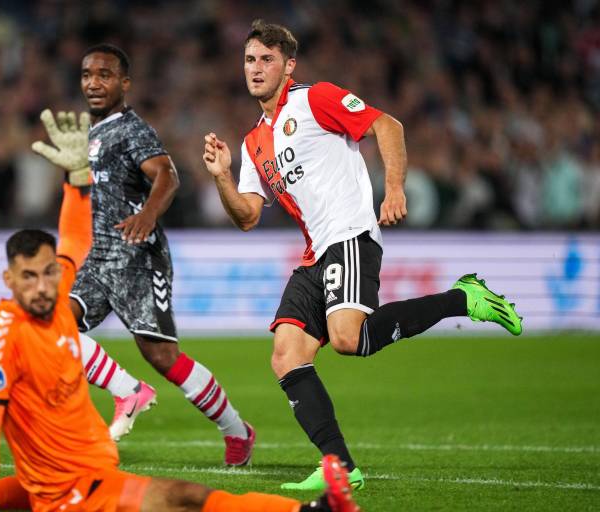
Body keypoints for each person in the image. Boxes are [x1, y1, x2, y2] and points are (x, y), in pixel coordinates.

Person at [0, 160, 359, 512]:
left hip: (88, 476)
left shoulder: (57, 304)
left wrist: (75, 179)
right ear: (9, 281)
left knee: (186, 494)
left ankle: (308, 507)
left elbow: (74, 239)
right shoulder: (2, 339)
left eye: (48, 274)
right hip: (78, 497)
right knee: (182, 498)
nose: (42, 286)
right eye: (29, 278)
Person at [202, 19, 523, 492]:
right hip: (314, 254)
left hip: (349, 235)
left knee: (348, 339)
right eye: (250, 59)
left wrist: (394, 188)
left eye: (267, 59)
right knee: (287, 355)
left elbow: (387, 125)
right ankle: (340, 466)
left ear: (288, 66)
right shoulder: (253, 143)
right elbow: (247, 215)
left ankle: (463, 298)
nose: (256, 68)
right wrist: (222, 177)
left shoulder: (315, 99)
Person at [31, 43, 255, 462]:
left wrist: (148, 215)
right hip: (98, 259)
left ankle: (237, 431)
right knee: (50, 327)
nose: (93, 83)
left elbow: (167, 176)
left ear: (125, 83)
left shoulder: (131, 130)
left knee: (163, 357)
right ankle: (127, 391)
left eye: (105, 75)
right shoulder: (90, 134)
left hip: (138, 258)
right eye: (87, 75)